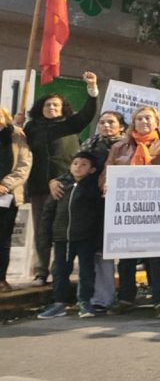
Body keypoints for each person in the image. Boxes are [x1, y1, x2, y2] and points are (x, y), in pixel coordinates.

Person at [22, 70, 98, 285]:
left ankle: (60, 271)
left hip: (66, 186)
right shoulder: (32, 127)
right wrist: (17, 126)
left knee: (63, 229)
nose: (51, 108)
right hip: (39, 186)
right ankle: (41, 271)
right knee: (41, 230)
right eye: (47, 105)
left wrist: (92, 88)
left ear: (62, 108)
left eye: (55, 105)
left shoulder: (71, 124)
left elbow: (88, 113)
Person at [102, 106, 160, 318]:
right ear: (133, 123)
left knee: (158, 257)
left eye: (148, 118)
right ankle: (126, 299)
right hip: (128, 211)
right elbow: (106, 173)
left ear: (156, 123)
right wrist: (106, 185)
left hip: (156, 212)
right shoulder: (119, 147)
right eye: (140, 118)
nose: (144, 122)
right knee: (126, 257)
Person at [37, 151, 103, 319]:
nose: (78, 167)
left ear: (92, 169)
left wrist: (99, 239)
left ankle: (85, 302)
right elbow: (48, 213)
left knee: (86, 271)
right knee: (60, 271)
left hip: (86, 237)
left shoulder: (95, 187)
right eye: (75, 163)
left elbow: (100, 215)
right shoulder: (60, 185)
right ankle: (59, 303)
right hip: (62, 237)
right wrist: (45, 236)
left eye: (84, 164)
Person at [0, 107, 32, 293]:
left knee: (3, 239)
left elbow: (24, 164)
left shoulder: (17, 135)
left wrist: (5, 184)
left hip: (7, 196)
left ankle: (1, 278)